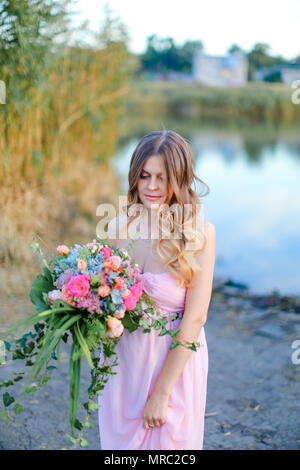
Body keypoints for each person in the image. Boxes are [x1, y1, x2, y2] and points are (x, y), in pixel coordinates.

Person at [98, 129, 216, 450]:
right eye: (144, 175)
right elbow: (110, 296)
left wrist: (162, 393)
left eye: (162, 178)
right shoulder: (118, 227)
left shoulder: (199, 234)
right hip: (126, 362)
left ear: (179, 178)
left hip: (174, 366)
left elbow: (196, 318)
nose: (151, 187)